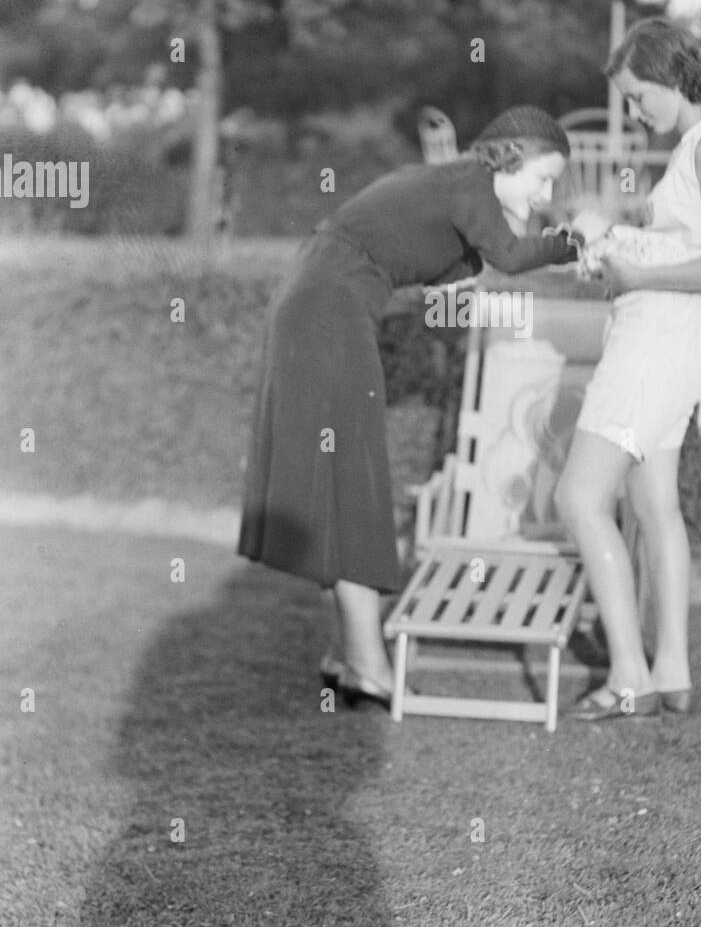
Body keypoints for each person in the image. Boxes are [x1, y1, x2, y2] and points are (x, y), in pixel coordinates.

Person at [238, 106, 577, 709]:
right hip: (329, 314)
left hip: (317, 305)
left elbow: (451, 271)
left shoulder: (453, 186)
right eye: (542, 179)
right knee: (351, 484)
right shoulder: (470, 182)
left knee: (336, 481)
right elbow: (512, 256)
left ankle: (347, 655)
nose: (547, 194)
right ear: (510, 158)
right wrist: (576, 242)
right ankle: (367, 667)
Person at [554, 18, 701, 721]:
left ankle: (629, 674)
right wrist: (616, 228)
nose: (637, 113)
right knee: (653, 505)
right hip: (679, 342)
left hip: (656, 345)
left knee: (578, 500)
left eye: (641, 97)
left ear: (673, 77)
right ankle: (671, 670)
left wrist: (632, 269)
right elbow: (685, 235)